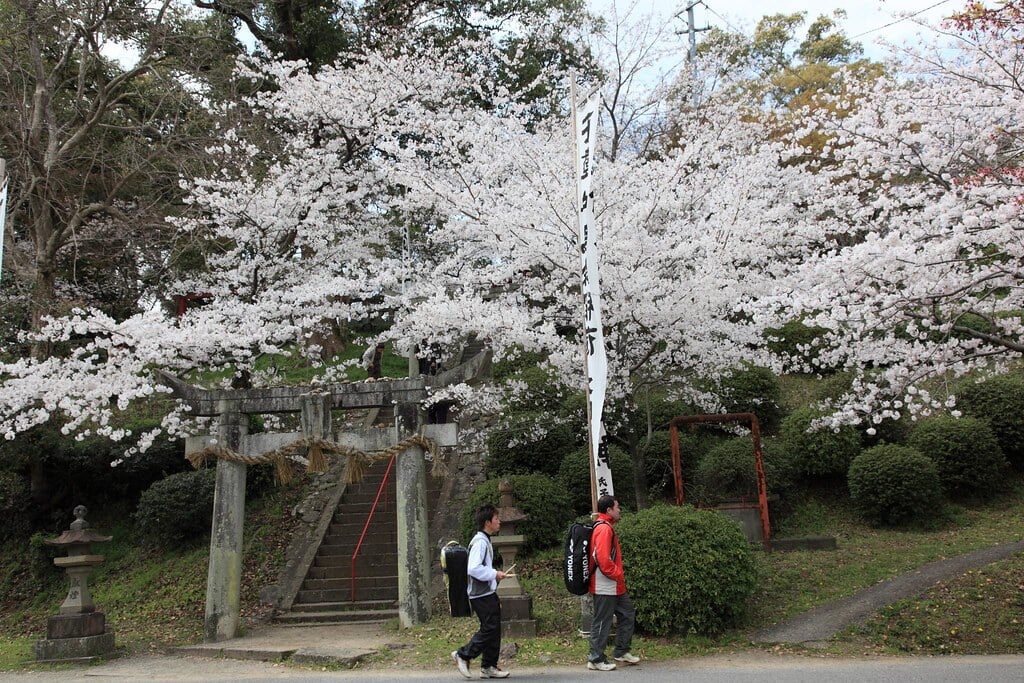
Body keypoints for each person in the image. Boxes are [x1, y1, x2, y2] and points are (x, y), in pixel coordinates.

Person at [452, 504, 511, 679]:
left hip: (486, 592)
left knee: (494, 628)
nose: (499, 522)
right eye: (496, 519)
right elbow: (473, 568)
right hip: (480, 594)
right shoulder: (480, 542)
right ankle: (463, 655)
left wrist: (494, 577)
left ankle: (489, 666)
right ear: (487, 522)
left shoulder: (484, 540)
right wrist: (494, 573)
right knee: (489, 628)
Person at [587, 495, 639, 671]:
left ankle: (622, 651)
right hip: (605, 584)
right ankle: (595, 658)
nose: (619, 509)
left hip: (615, 584)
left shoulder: (606, 526)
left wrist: (617, 577)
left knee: (627, 613)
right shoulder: (604, 529)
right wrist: (617, 573)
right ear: (608, 510)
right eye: (617, 507)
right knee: (602, 621)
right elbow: (602, 558)